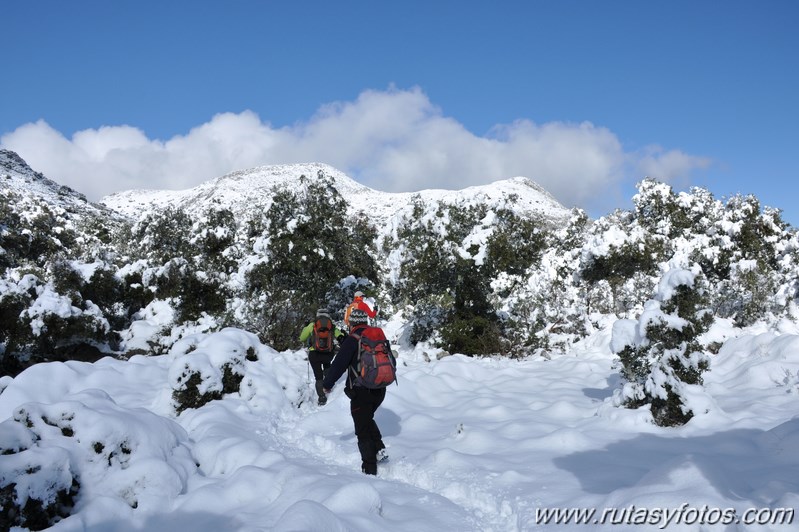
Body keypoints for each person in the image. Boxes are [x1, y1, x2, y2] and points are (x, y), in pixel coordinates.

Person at [323, 308, 388, 475]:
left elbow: (338, 364)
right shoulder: (377, 335)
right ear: (365, 321)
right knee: (367, 418)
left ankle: (369, 470)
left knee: (362, 429)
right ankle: (379, 449)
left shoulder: (353, 339)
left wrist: (328, 384)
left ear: (351, 323)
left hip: (361, 390)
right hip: (380, 388)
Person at [299, 308, 344, 405]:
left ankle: (322, 398)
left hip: (314, 354)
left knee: (318, 377)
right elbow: (340, 336)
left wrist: (305, 328)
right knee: (327, 366)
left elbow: (302, 338)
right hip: (328, 354)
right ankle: (328, 386)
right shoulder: (331, 326)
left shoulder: (312, 325)